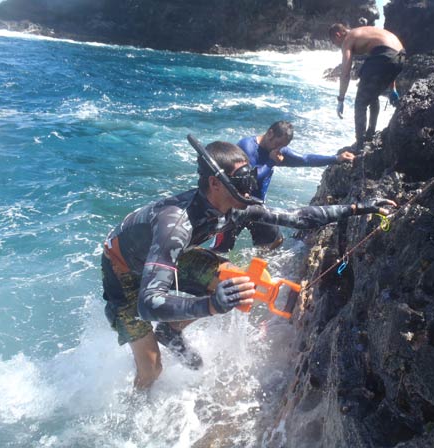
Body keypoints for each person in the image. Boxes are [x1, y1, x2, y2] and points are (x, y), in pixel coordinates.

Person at [101, 136, 395, 388]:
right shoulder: (175, 225)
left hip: (167, 255)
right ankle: (138, 405)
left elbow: (298, 217)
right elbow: (148, 303)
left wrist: (359, 208)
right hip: (122, 269)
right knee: (152, 369)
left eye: (250, 177)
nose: (249, 188)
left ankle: (171, 329)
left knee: (238, 284)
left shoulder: (236, 207)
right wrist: (210, 305)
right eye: (242, 181)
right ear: (215, 184)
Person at [211, 120, 355, 252]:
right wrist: (271, 162)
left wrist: (336, 158)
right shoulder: (246, 147)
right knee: (220, 249)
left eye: (283, 147)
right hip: (235, 206)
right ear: (270, 133)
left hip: (256, 207)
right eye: (278, 144)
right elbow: (249, 180)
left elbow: (305, 159)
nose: (279, 149)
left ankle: (253, 267)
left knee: (275, 241)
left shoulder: (277, 151)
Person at [328, 23, 406, 150]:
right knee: (372, 94)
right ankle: (370, 134)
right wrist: (393, 89)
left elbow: (345, 73)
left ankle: (359, 144)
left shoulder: (348, 39)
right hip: (401, 56)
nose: (336, 46)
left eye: (334, 43)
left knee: (360, 103)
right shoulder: (365, 32)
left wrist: (340, 99)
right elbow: (390, 57)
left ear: (338, 35)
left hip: (385, 55)